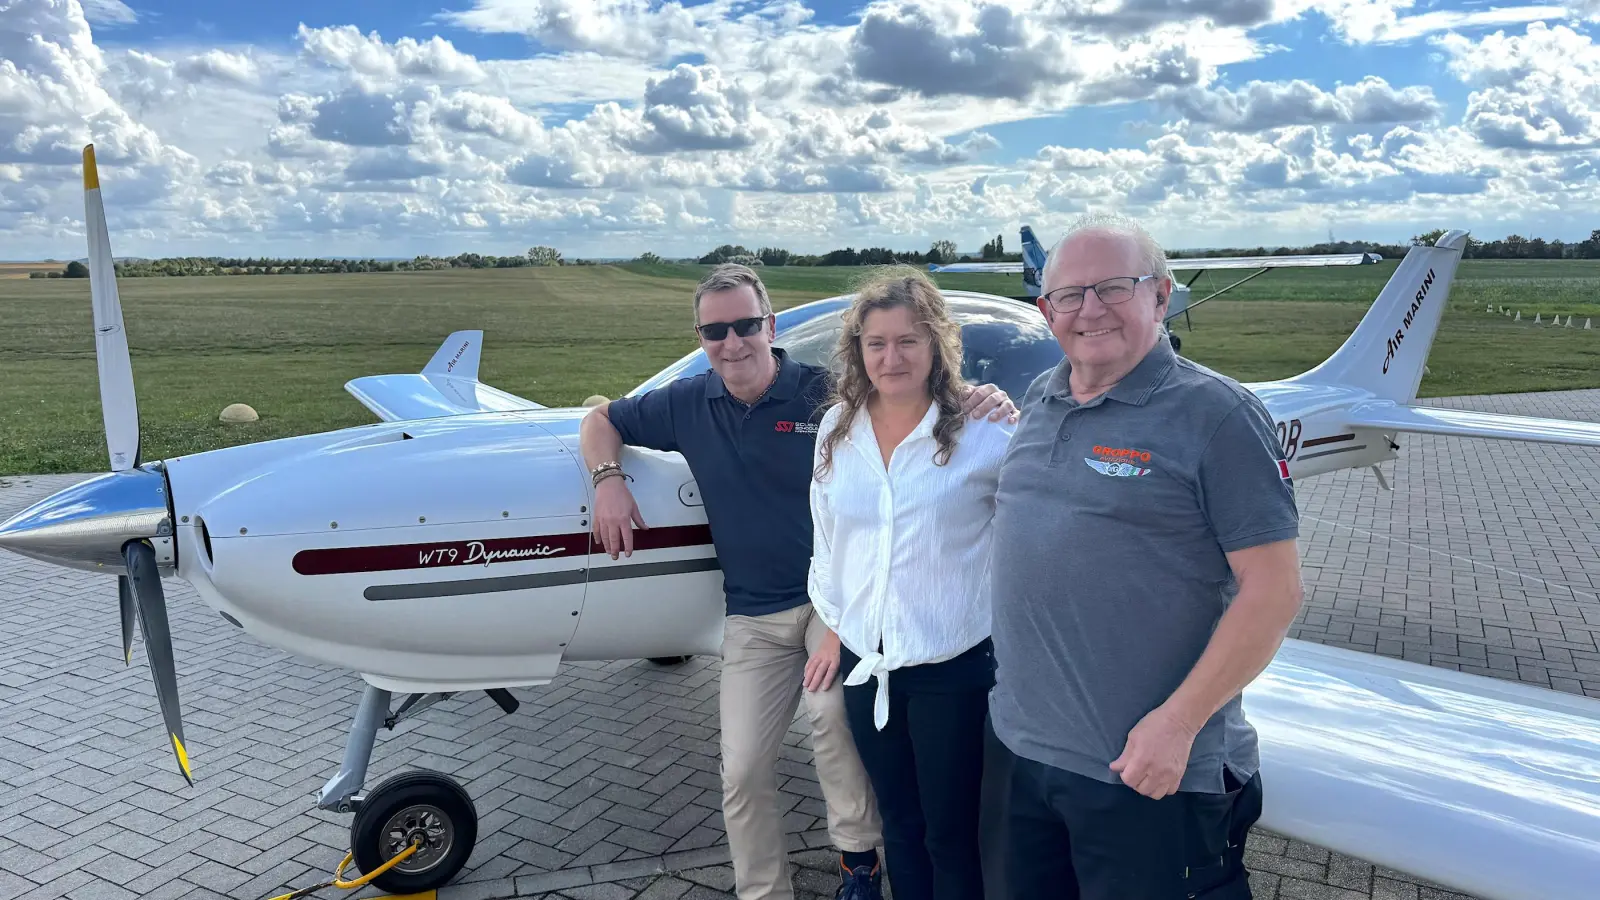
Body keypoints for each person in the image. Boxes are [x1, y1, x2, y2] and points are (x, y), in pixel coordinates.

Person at [579, 263, 1016, 900]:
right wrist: (607, 481)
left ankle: (858, 864)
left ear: (771, 325)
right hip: (757, 614)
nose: (732, 342)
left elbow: (912, 387)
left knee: (834, 718)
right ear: (700, 337)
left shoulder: (826, 397)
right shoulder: (699, 403)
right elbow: (599, 419)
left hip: (847, 614)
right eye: (715, 330)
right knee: (744, 768)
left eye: (746, 325)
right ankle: (764, 891)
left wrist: (985, 396)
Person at [985, 213, 1305, 898]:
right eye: (1070, 295)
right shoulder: (1039, 398)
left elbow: (1274, 592)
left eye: (1114, 287)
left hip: (1148, 772)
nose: (1090, 309)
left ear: (1161, 296)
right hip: (1022, 757)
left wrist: (1177, 724)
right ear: (1046, 311)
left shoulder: (1217, 415)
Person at [805, 267, 1014, 900]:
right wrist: (835, 630)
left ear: (937, 346)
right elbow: (828, 541)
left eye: (908, 341)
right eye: (877, 343)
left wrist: (1016, 407)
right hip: (870, 670)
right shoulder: (837, 430)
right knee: (900, 824)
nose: (891, 357)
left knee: (952, 835)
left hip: (953, 666)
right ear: (858, 350)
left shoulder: (985, 431)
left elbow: (1032, 532)